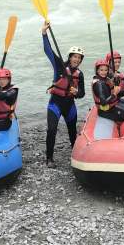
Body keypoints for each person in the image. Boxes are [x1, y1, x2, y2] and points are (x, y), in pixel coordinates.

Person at [41, 21, 85, 168]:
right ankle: (49, 158)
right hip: (55, 103)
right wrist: (44, 33)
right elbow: (48, 51)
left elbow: (82, 93)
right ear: (70, 57)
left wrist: (77, 92)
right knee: (52, 129)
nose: (76, 60)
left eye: (79, 58)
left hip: (69, 105)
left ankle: (75, 155)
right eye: (75, 57)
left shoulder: (80, 74)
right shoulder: (59, 65)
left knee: (72, 130)